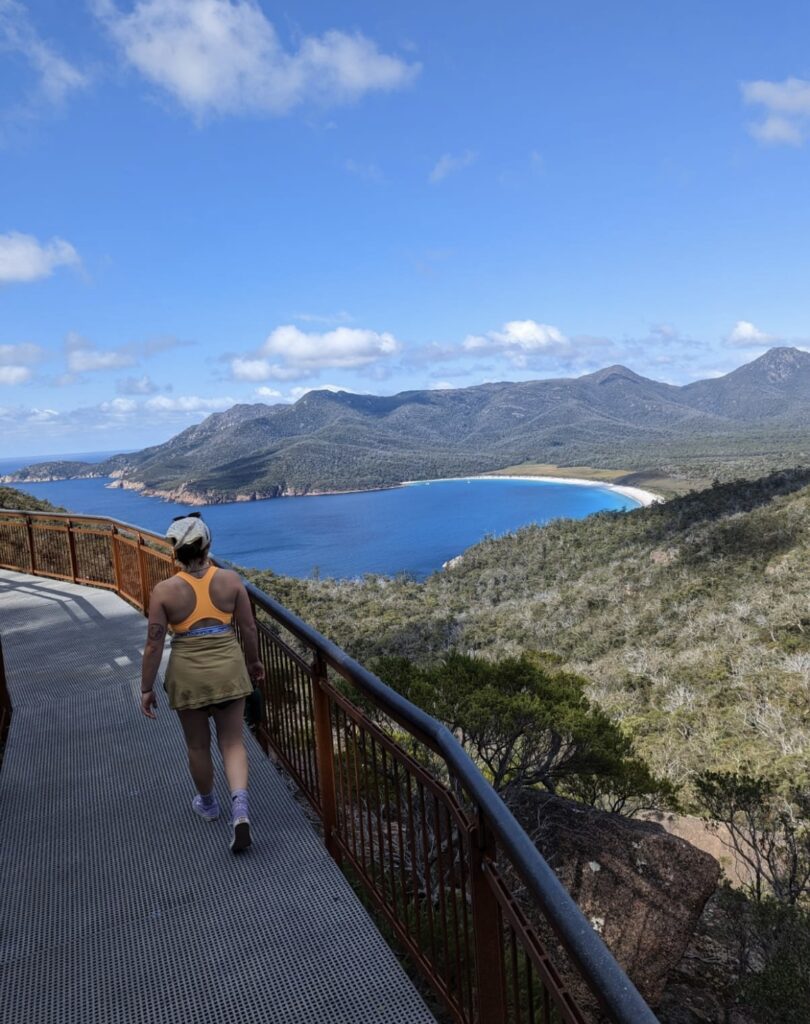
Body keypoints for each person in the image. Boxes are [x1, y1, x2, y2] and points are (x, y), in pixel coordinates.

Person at [140, 513, 265, 853]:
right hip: (228, 669)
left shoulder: (164, 591)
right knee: (233, 743)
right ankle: (240, 811)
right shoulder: (230, 581)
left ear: (174, 552)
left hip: (188, 675)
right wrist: (254, 663)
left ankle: (208, 804)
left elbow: (153, 644)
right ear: (207, 545)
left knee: (197, 746)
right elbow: (249, 628)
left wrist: (147, 687)